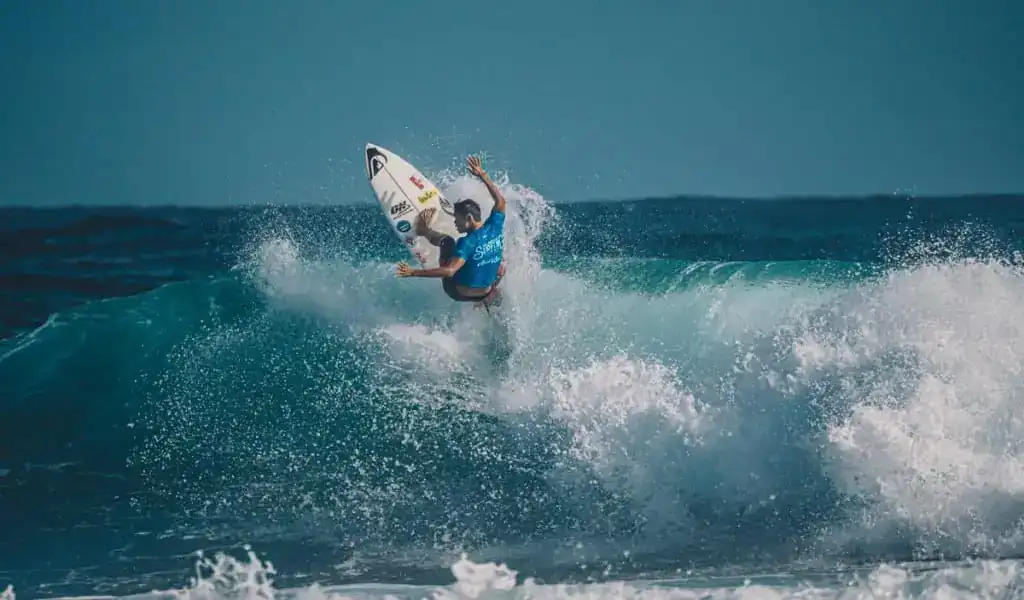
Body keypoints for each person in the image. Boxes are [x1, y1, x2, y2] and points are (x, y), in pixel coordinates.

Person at [395, 156, 507, 306]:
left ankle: (424, 230)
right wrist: (482, 175)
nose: (454, 222)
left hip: (458, 292)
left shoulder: (467, 242)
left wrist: (413, 272)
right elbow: (500, 201)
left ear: (468, 218)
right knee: (502, 264)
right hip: (486, 290)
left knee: (447, 241)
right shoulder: (495, 226)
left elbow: (449, 271)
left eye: (457, 219)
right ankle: (487, 297)